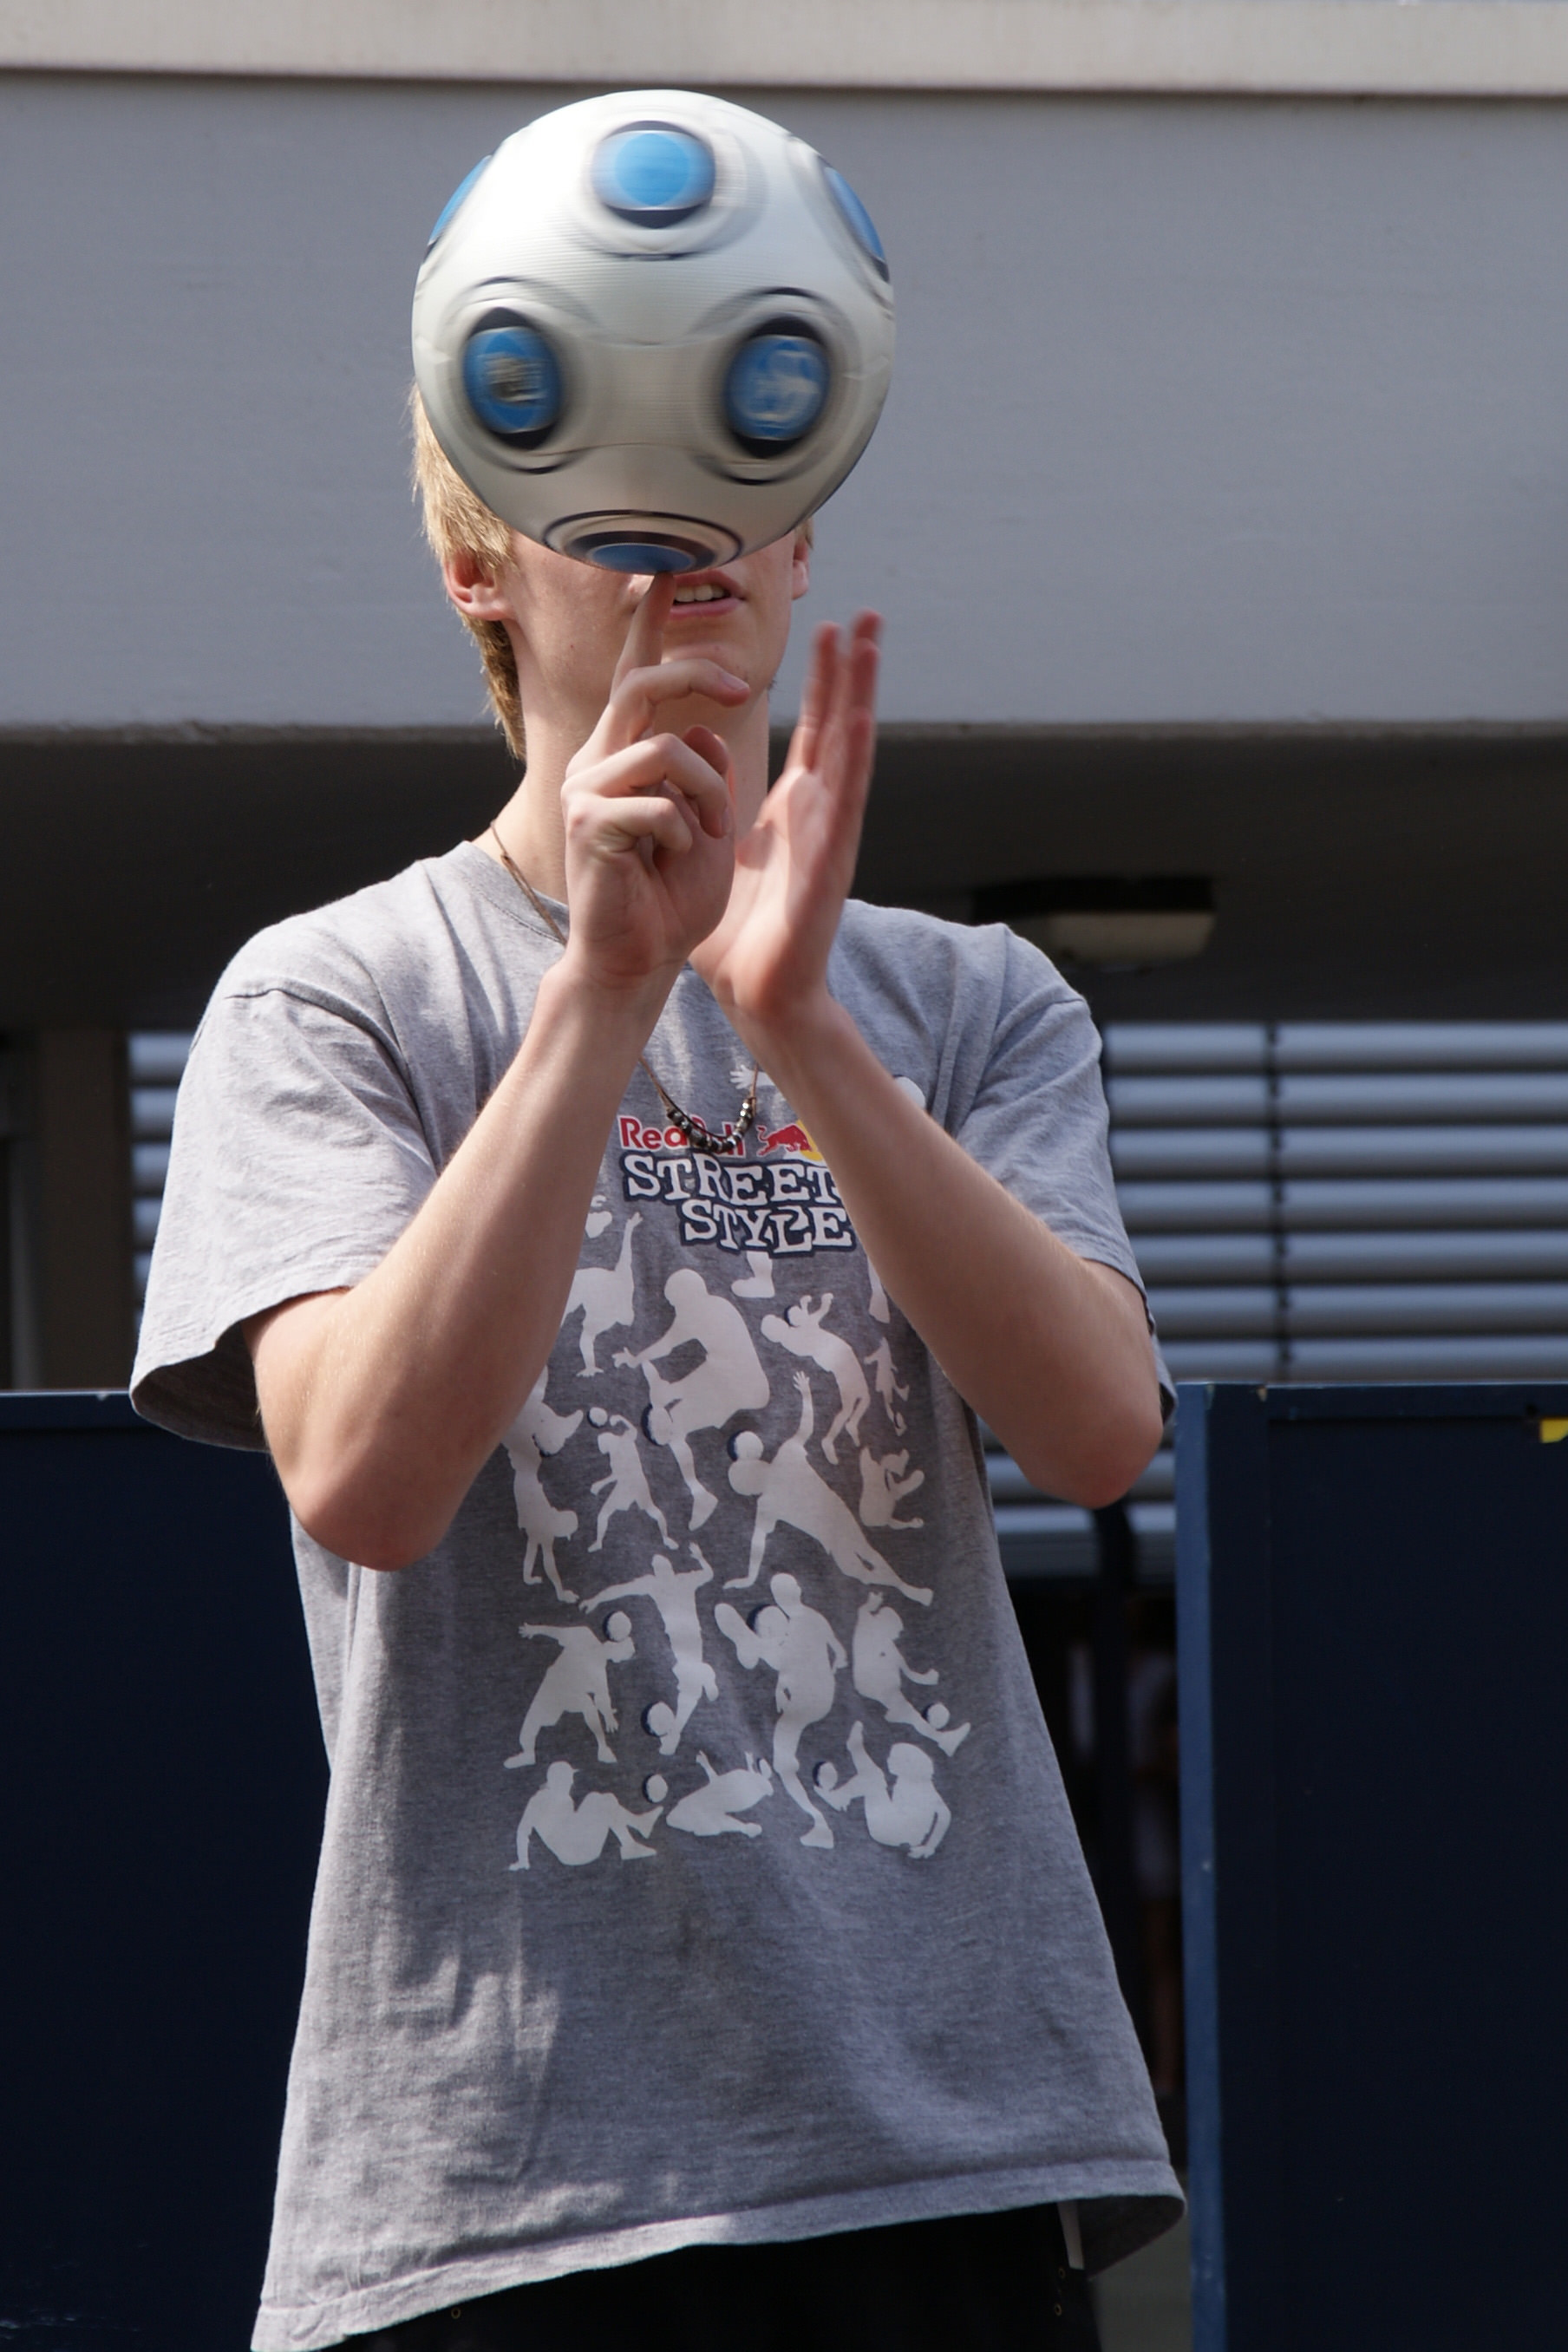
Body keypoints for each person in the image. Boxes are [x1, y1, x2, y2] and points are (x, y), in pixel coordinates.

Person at [130, 388, 1182, 2351]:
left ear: (801, 545)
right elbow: (362, 1479)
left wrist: (798, 1024)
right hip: (510, 2194)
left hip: (946, 2153)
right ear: (480, 569)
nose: (690, 530)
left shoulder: (974, 1002)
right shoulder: (335, 993)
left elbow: (1098, 1430)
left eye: (740, 482)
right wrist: (606, 990)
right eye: (609, 500)